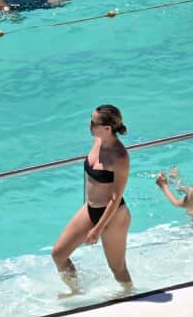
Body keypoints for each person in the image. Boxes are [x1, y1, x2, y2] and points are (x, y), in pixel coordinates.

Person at [52, 105, 133, 294]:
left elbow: (116, 196)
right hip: (90, 208)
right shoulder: (98, 141)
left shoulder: (120, 156)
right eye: (90, 119)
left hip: (114, 216)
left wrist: (97, 230)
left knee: (117, 268)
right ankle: (76, 292)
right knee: (59, 254)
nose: (89, 125)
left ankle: (130, 295)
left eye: (93, 122)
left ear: (107, 128)